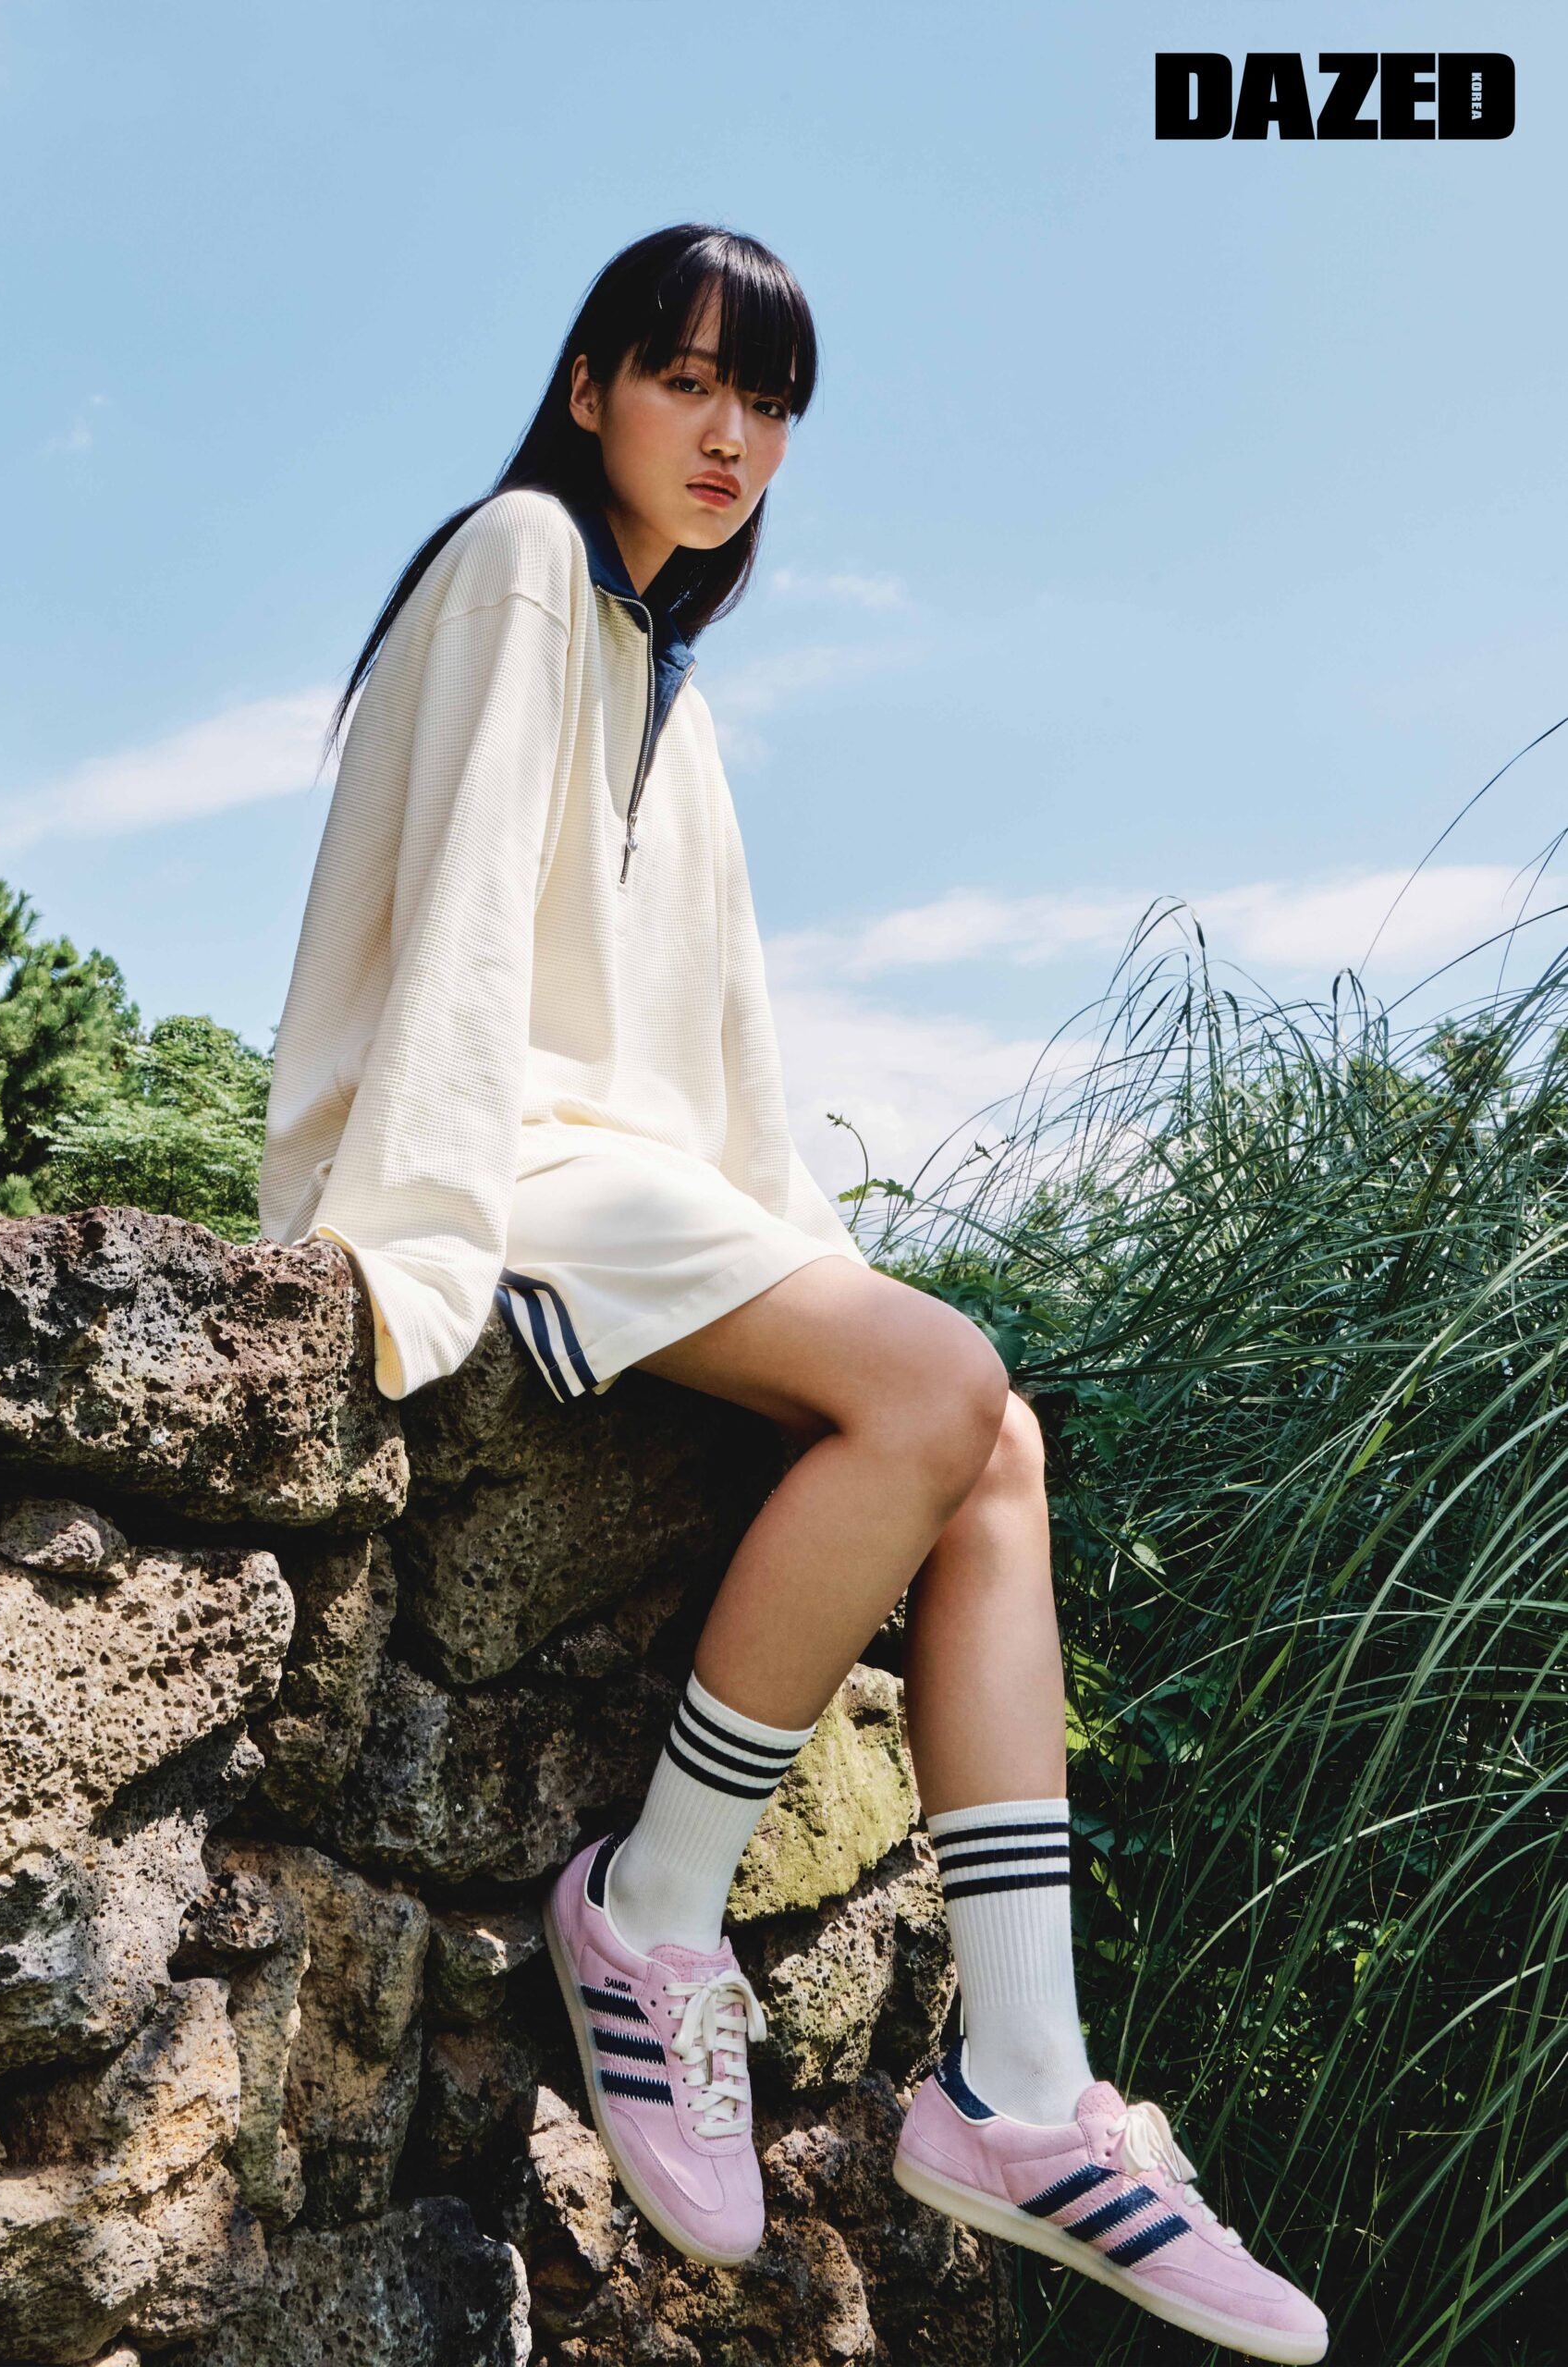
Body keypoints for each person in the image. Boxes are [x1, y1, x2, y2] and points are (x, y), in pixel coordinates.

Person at [258, 221, 1327, 2366]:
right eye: (686, 378)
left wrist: (814, 1270)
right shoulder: (518, 559)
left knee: (989, 1440)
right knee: (943, 1380)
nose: (729, 430)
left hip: (632, 1180)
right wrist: (412, 1233)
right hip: (512, 1162)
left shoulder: (672, 681)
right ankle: (651, 1909)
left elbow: (724, 1073)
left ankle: (1021, 2081)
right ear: (590, 390)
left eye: (766, 400)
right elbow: (453, 942)